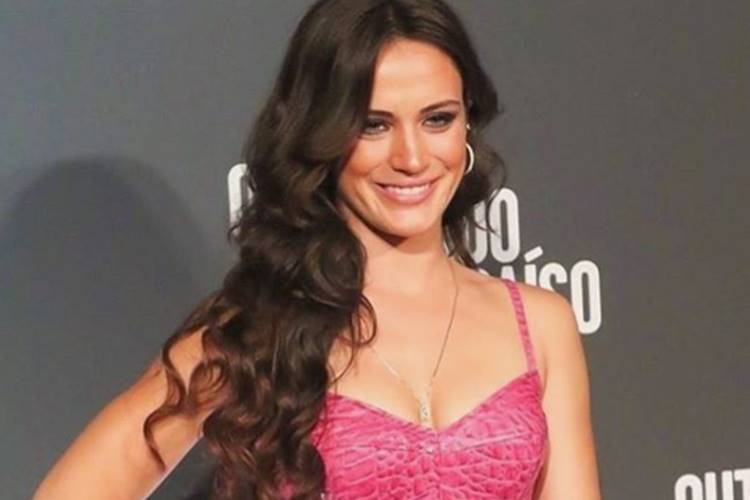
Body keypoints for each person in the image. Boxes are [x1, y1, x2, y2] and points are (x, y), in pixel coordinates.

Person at [34, 0, 602, 498]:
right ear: (322, 135)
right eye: (373, 125)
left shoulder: (540, 326)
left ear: (467, 127)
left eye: (438, 119)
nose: (412, 158)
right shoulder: (257, 335)